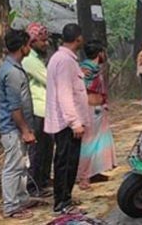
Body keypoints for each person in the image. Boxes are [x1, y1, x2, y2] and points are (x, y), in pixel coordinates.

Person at [45, 23, 88, 215]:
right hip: (66, 124)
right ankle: (62, 202)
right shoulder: (64, 61)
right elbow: (64, 94)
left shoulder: (63, 59)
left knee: (67, 161)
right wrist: (74, 122)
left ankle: (66, 199)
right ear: (78, 38)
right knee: (66, 163)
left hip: (66, 122)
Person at [0, 29, 36, 219]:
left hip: (17, 128)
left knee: (21, 165)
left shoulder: (13, 68)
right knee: (13, 167)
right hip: (13, 129)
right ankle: (11, 206)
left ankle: (21, 199)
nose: (30, 48)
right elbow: (15, 107)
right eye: (29, 45)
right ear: (22, 47)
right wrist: (25, 130)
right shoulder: (12, 72)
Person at [77, 40, 116, 190]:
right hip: (90, 109)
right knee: (89, 143)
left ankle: (95, 171)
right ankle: (84, 176)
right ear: (100, 53)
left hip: (99, 107)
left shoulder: (95, 68)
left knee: (100, 141)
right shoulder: (86, 68)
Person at [22, 23, 54, 198]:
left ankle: (43, 181)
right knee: (37, 151)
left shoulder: (37, 59)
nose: (46, 43)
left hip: (44, 110)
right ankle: (33, 187)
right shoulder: (30, 61)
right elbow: (49, 79)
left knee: (47, 148)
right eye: (42, 40)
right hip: (36, 110)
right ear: (32, 41)